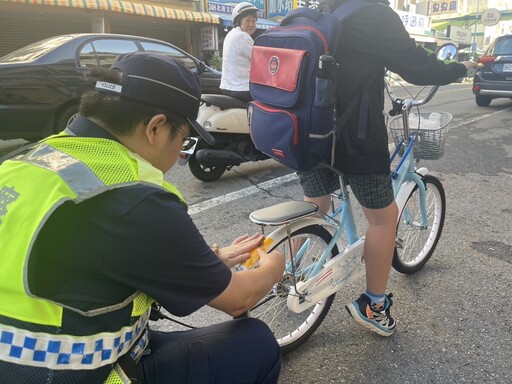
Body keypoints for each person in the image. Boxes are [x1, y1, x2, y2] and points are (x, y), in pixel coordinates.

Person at [0, 52, 285, 383]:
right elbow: (239, 299)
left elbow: (81, 262)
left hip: (27, 362)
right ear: (155, 127)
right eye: (184, 139)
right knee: (256, 343)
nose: (182, 152)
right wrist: (275, 263)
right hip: (72, 375)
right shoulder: (133, 197)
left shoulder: (27, 161)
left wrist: (207, 263)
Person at [297, 0, 481, 337]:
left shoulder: (319, 13)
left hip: (305, 133)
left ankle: (292, 274)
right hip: (354, 139)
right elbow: (419, 67)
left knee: (315, 206)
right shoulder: (376, 14)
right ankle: (374, 305)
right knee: (383, 219)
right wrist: (459, 67)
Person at [219, 2, 259, 103]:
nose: (251, 24)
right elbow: (260, 60)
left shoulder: (231, 34)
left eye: (254, 21)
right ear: (238, 21)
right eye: (247, 20)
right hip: (242, 89)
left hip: (228, 87)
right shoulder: (243, 37)